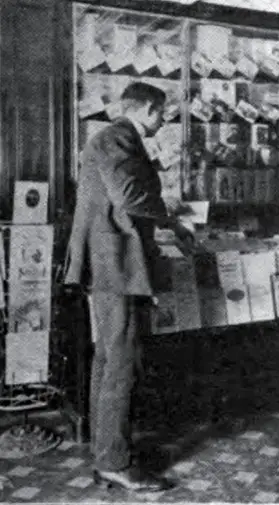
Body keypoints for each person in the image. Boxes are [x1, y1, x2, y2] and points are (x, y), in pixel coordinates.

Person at [64, 81, 194, 490]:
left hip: (110, 262)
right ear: (148, 110)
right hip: (113, 264)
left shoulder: (112, 138)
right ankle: (115, 461)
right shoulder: (116, 137)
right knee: (122, 360)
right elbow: (130, 197)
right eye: (163, 113)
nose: (165, 119)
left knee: (110, 358)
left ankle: (106, 451)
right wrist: (171, 216)